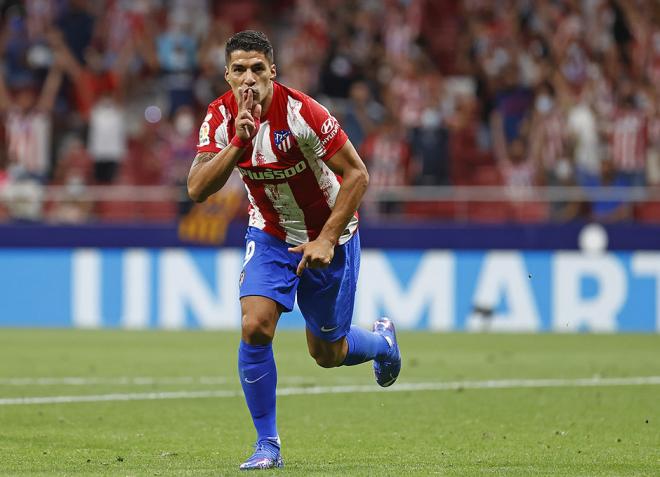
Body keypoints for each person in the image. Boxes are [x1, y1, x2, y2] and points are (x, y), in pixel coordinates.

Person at [186, 30, 401, 470]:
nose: (249, 79)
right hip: (268, 234)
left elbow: (357, 175)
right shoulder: (219, 118)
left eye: (258, 69)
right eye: (240, 70)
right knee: (255, 326)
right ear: (227, 75)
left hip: (329, 238)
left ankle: (381, 344)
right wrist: (237, 145)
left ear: (273, 72)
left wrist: (325, 238)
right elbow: (196, 188)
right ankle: (268, 445)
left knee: (327, 353)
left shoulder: (304, 112)